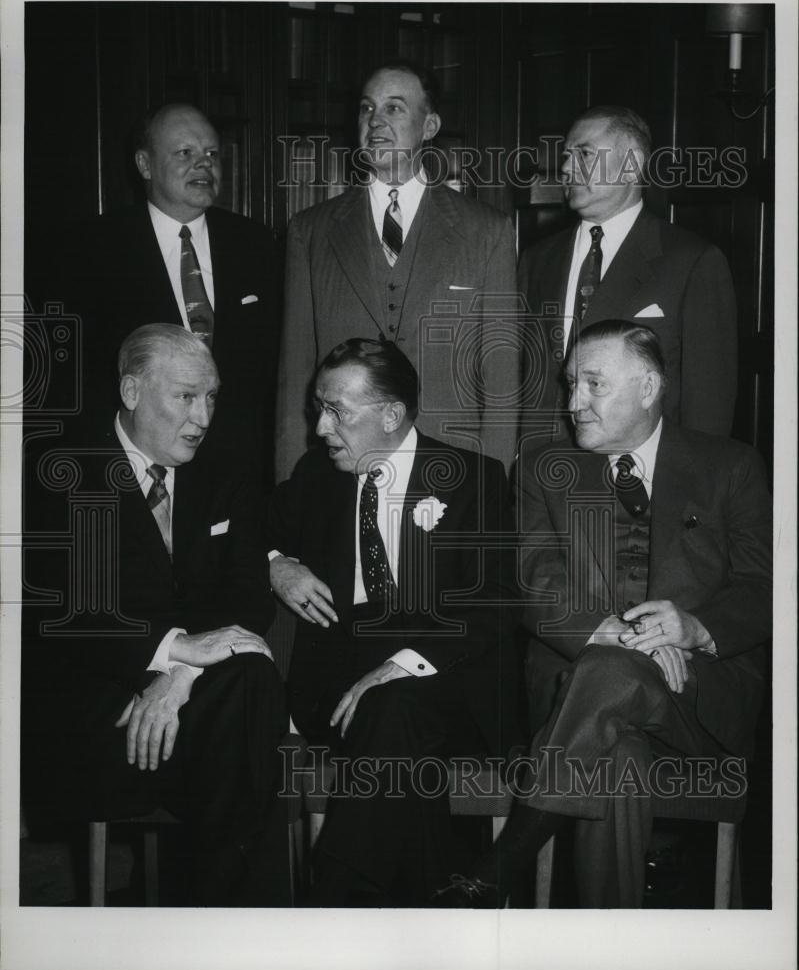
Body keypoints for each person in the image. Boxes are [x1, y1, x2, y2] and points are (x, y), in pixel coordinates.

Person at [436, 320, 771, 907]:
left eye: (593, 384)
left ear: (648, 387)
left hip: (696, 703)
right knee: (616, 743)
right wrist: (614, 637)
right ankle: (605, 948)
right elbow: (532, 580)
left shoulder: (730, 466)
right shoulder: (543, 468)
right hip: (580, 700)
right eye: (570, 385)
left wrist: (693, 628)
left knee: (613, 696)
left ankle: (500, 865)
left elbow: (767, 586)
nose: (573, 405)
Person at [21, 324, 289, 906]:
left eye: (212, 396)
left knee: (252, 678)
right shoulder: (58, 467)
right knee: (247, 727)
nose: (204, 416)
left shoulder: (225, 471)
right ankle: (228, 917)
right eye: (187, 396)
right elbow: (65, 609)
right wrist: (171, 649)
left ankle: (212, 913)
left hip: (197, 710)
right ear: (132, 391)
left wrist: (181, 674)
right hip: (102, 717)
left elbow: (246, 597)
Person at [267, 339, 520, 906]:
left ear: (391, 415)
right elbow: (248, 528)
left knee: (395, 708)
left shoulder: (473, 478)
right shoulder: (317, 474)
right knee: (394, 724)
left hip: (447, 682)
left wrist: (400, 665)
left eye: (337, 411)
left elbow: (497, 602)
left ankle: (338, 899)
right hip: (337, 689)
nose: (321, 429)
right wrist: (278, 564)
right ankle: (450, 907)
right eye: (318, 408)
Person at [275, 59, 520, 480]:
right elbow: (295, 374)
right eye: (367, 108)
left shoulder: (487, 232)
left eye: (394, 108)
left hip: (451, 468)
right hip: (338, 471)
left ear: (430, 126)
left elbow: (500, 380)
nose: (375, 121)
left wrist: (489, 485)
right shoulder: (310, 231)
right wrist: (291, 488)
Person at [59, 103, 278, 485]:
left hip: (238, 470)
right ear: (144, 165)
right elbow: (75, 372)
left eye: (212, 154)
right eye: (184, 153)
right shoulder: (92, 249)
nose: (204, 165)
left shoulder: (255, 243)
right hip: (137, 468)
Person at [518, 105, 738, 448]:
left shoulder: (692, 261)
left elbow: (709, 402)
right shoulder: (537, 259)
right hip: (544, 472)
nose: (565, 167)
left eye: (584, 154)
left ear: (632, 164)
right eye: (565, 156)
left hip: (640, 479)